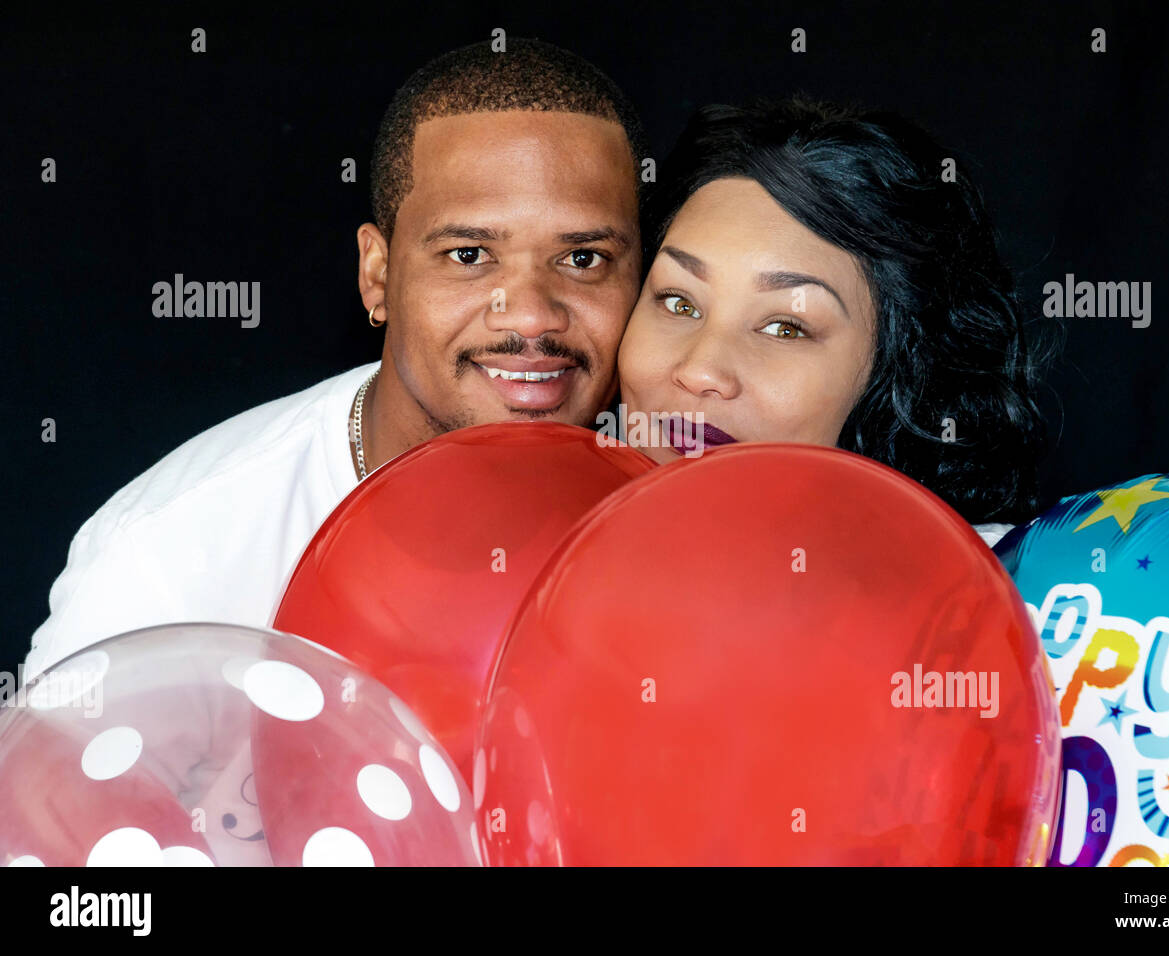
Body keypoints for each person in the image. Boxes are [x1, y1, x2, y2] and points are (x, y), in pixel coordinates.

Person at [25, 38, 646, 678]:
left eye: (583, 258)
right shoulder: (172, 562)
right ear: (377, 274)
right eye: (468, 255)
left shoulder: (668, 511)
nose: (531, 315)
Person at [615, 99, 1057, 544]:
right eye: (679, 303)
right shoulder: (554, 549)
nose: (700, 371)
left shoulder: (1002, 598)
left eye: (785, 327)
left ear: (898, 378)